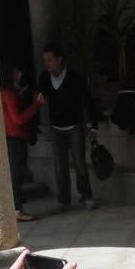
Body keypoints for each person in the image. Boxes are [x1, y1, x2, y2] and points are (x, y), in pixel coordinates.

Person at [38, 42, 99, 212]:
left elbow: (87, 102)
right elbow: (41, 99)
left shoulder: (75, 78)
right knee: (59, 166)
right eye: (45, 60)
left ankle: (86, 196)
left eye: (50, 60)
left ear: (59, 59)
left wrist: (93, 126)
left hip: (74, 127)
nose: (47, 63)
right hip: (56, 128)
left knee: (80, 163)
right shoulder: (44, 79)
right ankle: (63, 200)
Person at [1, 63, 45, 223]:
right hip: (15, 137)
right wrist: (37, 105)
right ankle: (17, 210)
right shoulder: (9, 93)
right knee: (16, 175)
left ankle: (15, 209)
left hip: (9, 136)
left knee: (15, 175)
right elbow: (18, 119)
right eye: (16, 70)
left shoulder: (5, 92)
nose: (19, 73)